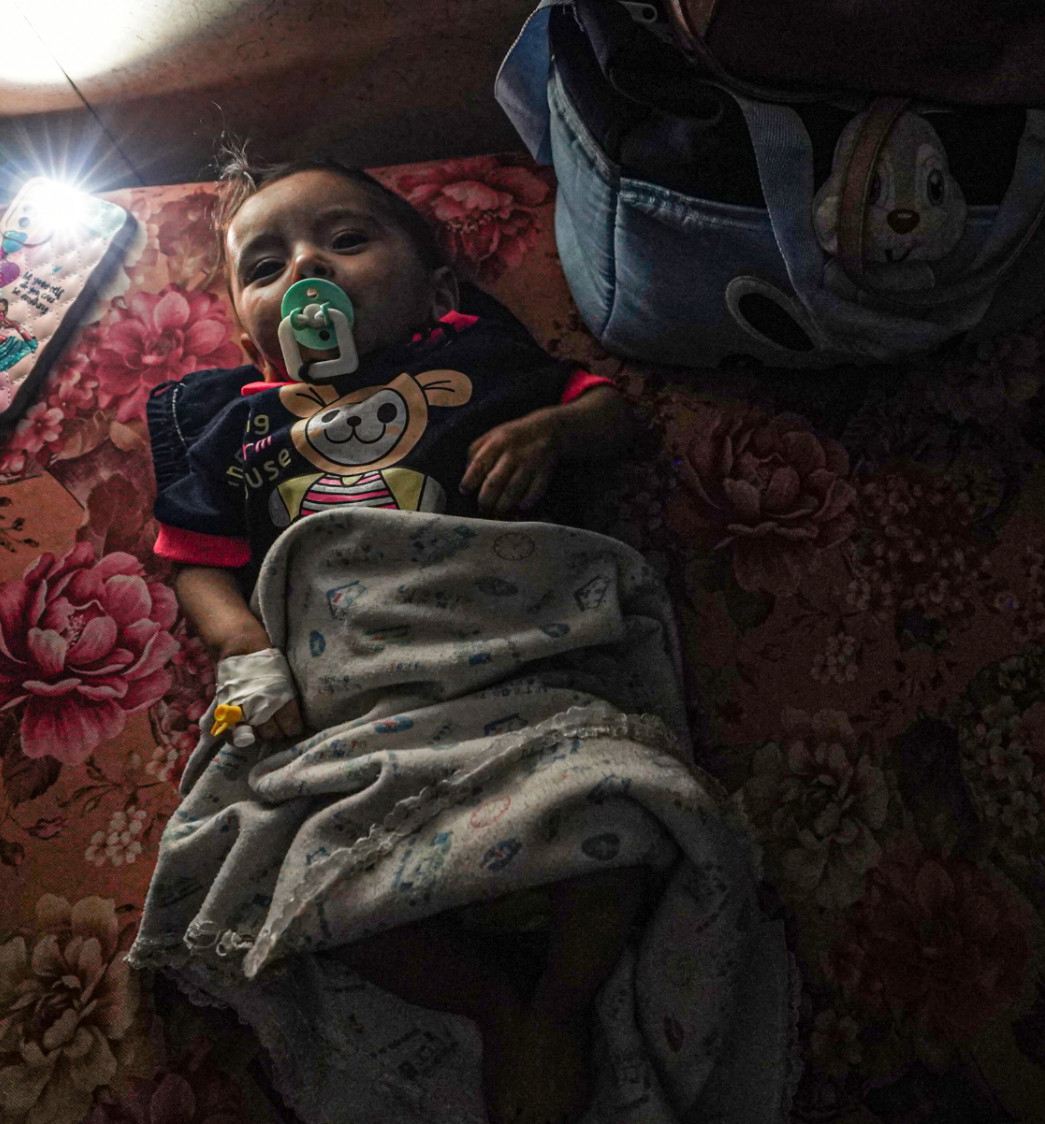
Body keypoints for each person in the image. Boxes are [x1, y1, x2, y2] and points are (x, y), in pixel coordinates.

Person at [145, 151, 658, 1124]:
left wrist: (554, 434)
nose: (304, 271)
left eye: (344, 239)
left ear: (438, 289)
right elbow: (194, 562)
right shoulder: (237, 427)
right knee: (290, 880)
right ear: (254, 343)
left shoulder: (480, 362)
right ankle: (492, 1004)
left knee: (617, 816)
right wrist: (248, 654)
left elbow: (611, 411)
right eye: (265, 266)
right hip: (346, 698)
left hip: (502, 663)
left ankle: (560, 999)